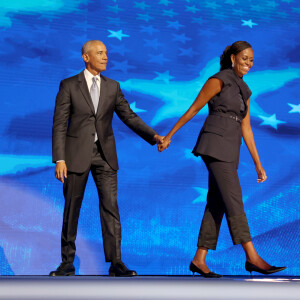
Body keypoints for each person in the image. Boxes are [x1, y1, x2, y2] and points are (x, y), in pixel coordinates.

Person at [158, 41, 286, 277]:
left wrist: (258, 163)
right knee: (234, 198)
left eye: (251, 60)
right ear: (233, 58)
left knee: (217, 203)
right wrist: (169, 135)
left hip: (231, 148)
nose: (248, 63)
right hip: (214, 144)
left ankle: (199, 259)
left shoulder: (245, 90)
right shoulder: (218, 79)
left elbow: (246, 128)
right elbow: (193, 109)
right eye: (245, 58)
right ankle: (252, 257)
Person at [50, 40, 164, 276]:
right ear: (86, 57)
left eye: (106, 53)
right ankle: (67, 262)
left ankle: (116, 262)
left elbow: (129, 116)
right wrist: (60, 159)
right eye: (100, 53)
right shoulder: (69, 85)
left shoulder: (112, 86)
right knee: (72, 208)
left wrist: (154, 136)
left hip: (105, 156)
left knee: (111, 207)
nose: (105, 57)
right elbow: (60, 124)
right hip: (75, 156)